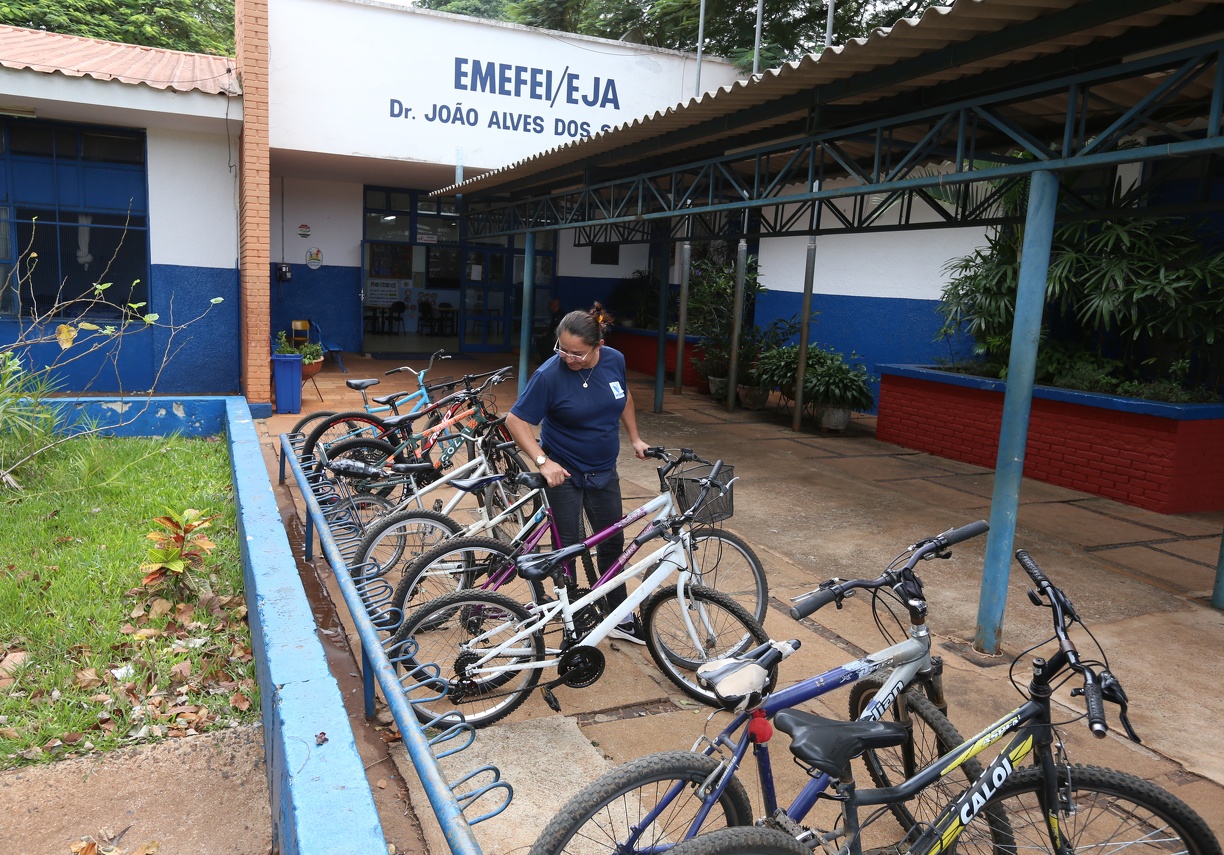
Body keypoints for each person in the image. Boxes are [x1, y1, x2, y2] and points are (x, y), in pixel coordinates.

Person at [506, 302, 651, 643]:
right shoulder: (549, 374)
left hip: (603, 471)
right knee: (568, 549)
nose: (569, 358)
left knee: (612, 544)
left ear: (598, 345)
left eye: (578, 353)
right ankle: (573, 617)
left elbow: (624, 396)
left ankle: (617, 616)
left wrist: (635, 438)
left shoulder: (614, 359)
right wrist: (543, 461)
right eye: (563, 350)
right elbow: (515, 420)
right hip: (564, 474)